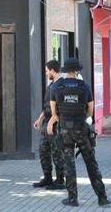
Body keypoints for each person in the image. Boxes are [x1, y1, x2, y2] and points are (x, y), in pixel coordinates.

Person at [48, 58, 111, 207]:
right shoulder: (85, 87)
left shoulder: (56, 87)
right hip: (81, 129)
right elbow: (90, 111)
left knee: (69, 164)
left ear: (64, 70)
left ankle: (72, 199)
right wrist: (81, 118)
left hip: (65, 130)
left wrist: (62, 119)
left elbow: (53, 112)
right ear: (77, 71)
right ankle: (102, 198)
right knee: (91, 163)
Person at [33, 60, 65, 190]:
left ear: (52, 70)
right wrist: (40, 119)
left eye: (47, 71)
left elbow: (60, 108)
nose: (46, 73)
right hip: (47, 122)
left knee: (57, 153)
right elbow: (47, 105)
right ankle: (47, 178)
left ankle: (60, 180)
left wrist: (52, 122)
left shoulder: (61, 85)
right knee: (43, 151)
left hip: (56, 124)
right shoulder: (51, 85)